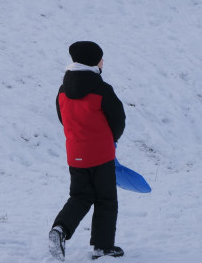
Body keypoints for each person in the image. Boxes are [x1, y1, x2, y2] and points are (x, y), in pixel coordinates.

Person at [49, 41, 127, 261]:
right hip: (101, 154)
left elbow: (62, 119)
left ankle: (60, 230)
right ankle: (103, 247)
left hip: (75, 154)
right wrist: (113, 139)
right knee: (106, 199)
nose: (103, 61)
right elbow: (118, 120)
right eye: (101, 58)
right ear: (93, 61)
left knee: (80, 196)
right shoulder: (102, 89)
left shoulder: (63, 90)